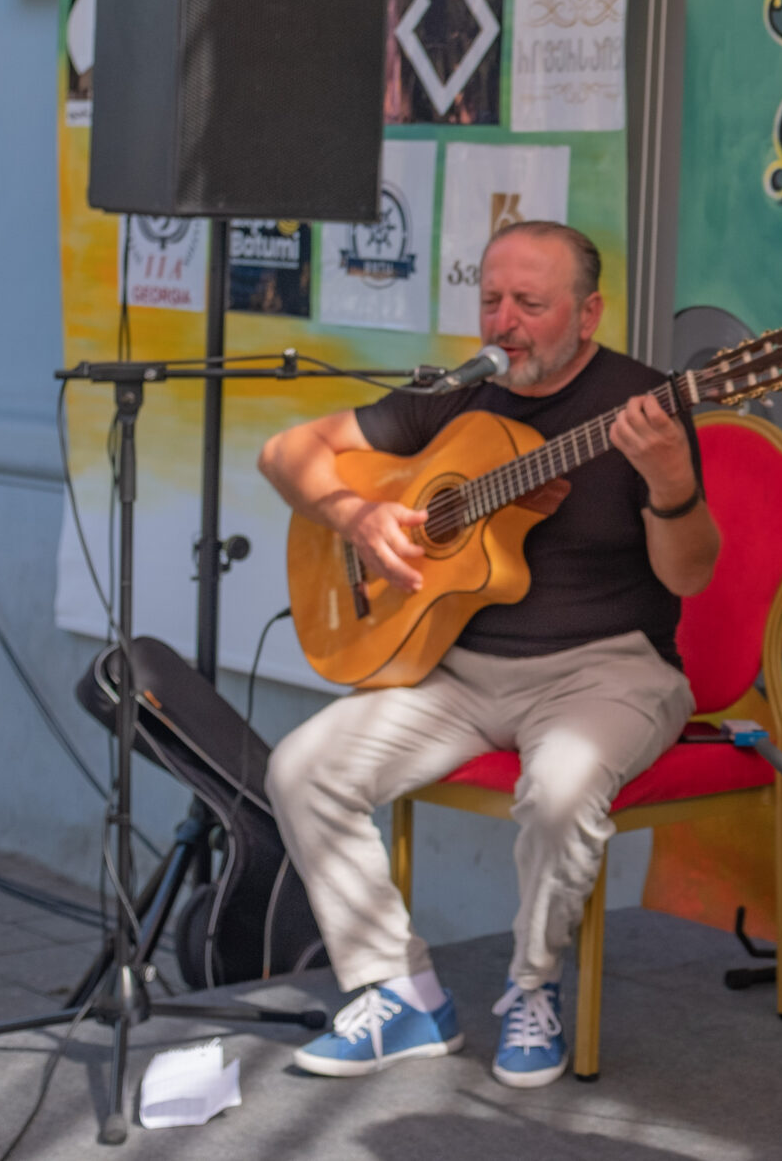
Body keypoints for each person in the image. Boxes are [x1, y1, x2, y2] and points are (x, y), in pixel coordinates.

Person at [259, 221, 719, 1088]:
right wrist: (357, 513)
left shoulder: (647, 402)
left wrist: (671, 483)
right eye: (492, 299)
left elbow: (688, 574)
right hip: (458, 671)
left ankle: (532, 986)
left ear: (589, 313)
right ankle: (400, 993)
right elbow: (284, 451)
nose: (504, 322)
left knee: (561, 790)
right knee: (302, 767)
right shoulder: (455, 395)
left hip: (608, 669)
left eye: (530, 304)